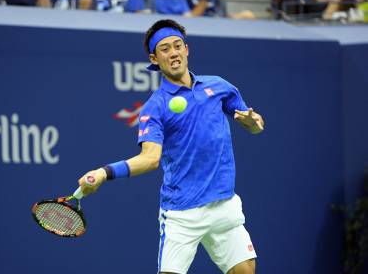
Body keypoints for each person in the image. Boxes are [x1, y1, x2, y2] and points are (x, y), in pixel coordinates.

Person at [78, 19, 264, 274]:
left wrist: (252, 123)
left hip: (224, 203)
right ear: (154, 59)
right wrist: (104, 172)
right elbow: (150, 159)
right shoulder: (155, 107)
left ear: (186, 49)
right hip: (182, 213)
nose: (173, 53)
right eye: (165, 49)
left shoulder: (219, 87)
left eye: (178, 46)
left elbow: (255, 125)